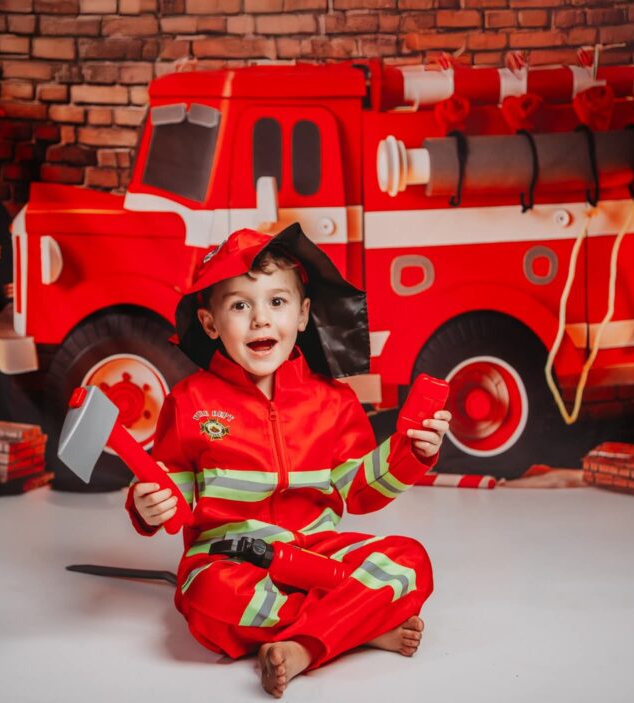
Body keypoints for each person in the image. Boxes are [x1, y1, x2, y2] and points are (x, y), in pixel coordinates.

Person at [125, 224, 451, 697]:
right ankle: (354, 627)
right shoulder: (190, 401)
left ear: (302, 315)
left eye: (277, 302)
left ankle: (305, 646)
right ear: (210, 323)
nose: (260, 320)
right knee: (204, 597)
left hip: (316, 554)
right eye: (240, 305)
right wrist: (147, 506)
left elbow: (356, 490)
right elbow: (174, 494)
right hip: (230, 560)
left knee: (410, 561)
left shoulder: (333, 401)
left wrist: (412, 451)